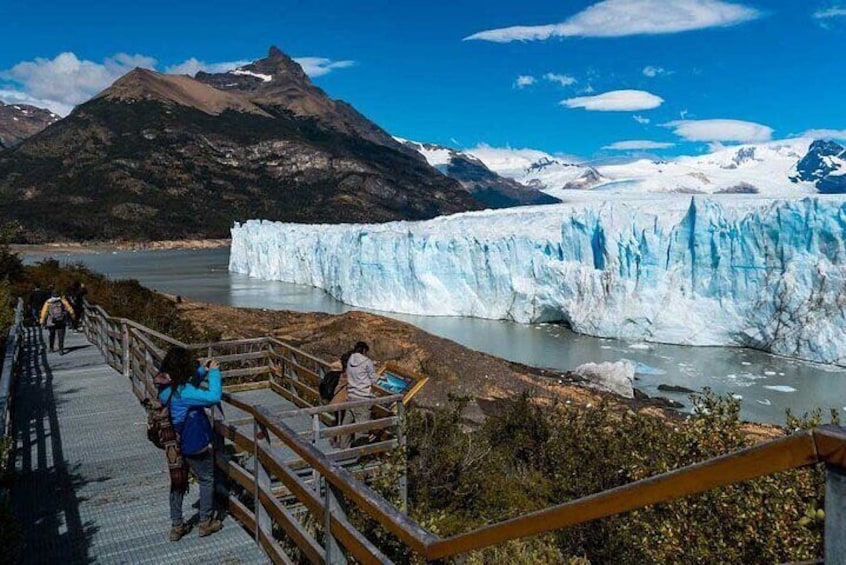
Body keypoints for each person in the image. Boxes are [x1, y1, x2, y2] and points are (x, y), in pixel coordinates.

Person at [157, 346, 223, 541]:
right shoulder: (184, 393)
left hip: (174, 443)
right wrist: (214, 373)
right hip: (193, 441)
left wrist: (202, 370)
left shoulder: (166, 386)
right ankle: (205, 522)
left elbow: (186, 385)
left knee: (178, 482)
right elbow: (213, 397)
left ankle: (177, 526)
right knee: (206, 478)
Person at [341, 341, 379, 447]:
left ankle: (344, 450)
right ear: (364, 350)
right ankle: (359, 455)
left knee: (346, 428)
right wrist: (379, 375)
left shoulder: (350, 359)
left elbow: (358, 369)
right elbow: (373, 379)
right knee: (362, 430)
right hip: (363, 398)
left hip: (351, 396)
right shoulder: (367, 361)